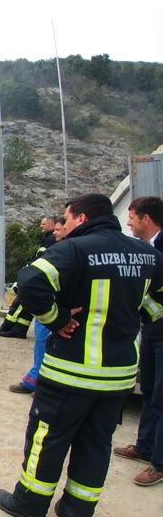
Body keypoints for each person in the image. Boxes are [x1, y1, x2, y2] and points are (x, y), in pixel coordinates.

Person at [0, 194, 163, 517]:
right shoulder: (149, 255)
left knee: (48, 440)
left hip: (70, 373)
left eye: (66, 219)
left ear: (82, 218)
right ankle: (76, 512)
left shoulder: (74, 250)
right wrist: (137, 314)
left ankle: (28, 505)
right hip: (118, 378)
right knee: (96, 445)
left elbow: (28, 283)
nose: (63, 226)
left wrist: (56, 319)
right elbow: (157, 303)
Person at [113, 196, 163, 486]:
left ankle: (159, 462)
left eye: (131, 217)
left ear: (146, 218)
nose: (128, 222)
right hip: (151, 330)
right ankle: (144, 446)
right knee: (149, 391)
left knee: (161, 397)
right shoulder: (144, 249)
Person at [10, 217, 67, 394]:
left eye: (59, 229)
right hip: (53, 307)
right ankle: (36, 378)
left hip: (60, 309)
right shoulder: (58, 247)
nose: (55, 233)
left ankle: (40, 381)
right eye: (54, 229)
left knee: (48, 344)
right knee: (42, 342)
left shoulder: (70, 251)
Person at [0, 216, 59, 338]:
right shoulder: (48, 239)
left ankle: (8, 326)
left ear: (52, 225)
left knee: (22, 300)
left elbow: (42, 258)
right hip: (38, 274)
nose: (40, 226)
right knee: (29, 305)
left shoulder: (52, 239)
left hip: (39, 275)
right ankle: (18, 329)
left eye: (43, 224)